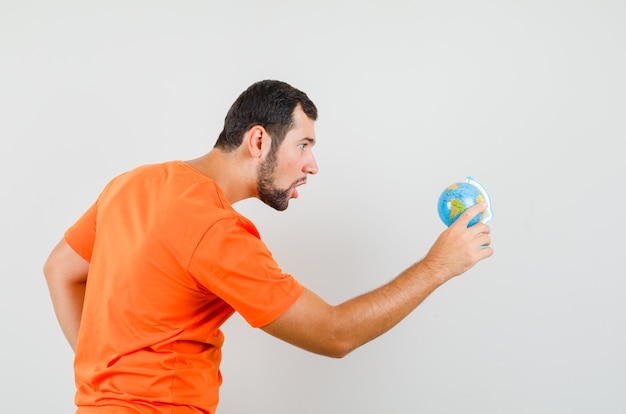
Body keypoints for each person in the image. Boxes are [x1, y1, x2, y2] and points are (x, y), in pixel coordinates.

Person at [44, 79, 493, 413]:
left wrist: (109, 375)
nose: (312, 165)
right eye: (304, 144)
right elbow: (335, 333)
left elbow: (60, 269)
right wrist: (439, 265)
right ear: (259, 140)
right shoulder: (216, 231)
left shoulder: (132, 184)